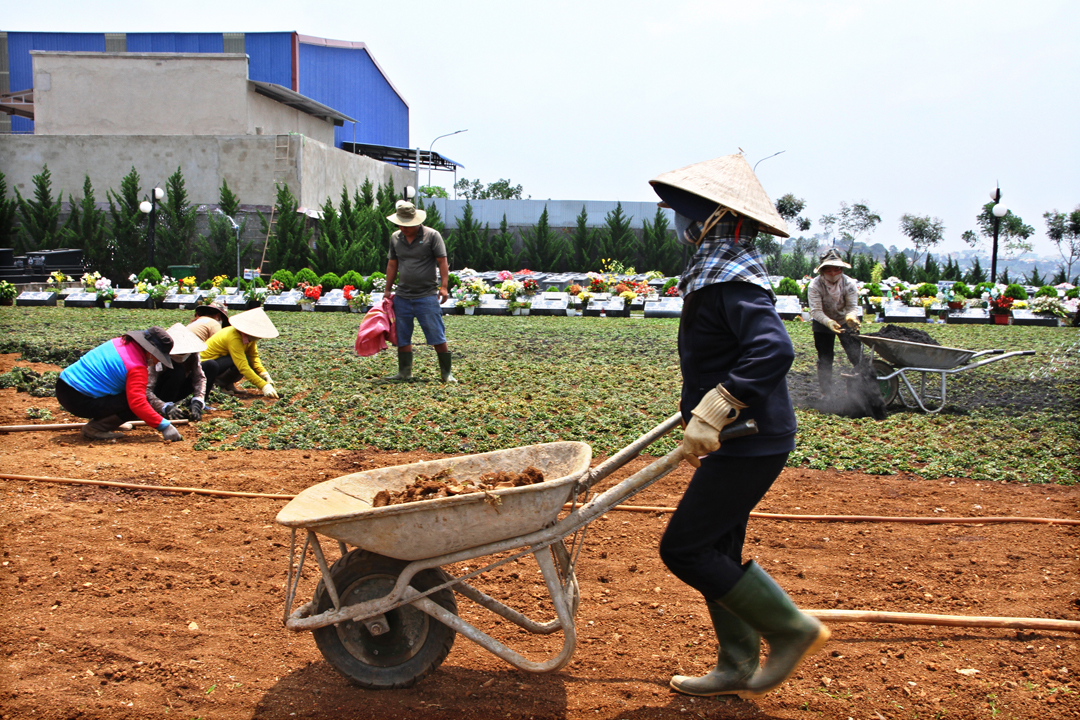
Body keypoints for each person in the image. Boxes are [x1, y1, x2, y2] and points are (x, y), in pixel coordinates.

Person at [649, 152, 829, 697]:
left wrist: (716, 405)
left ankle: (790, 630)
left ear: (713, 219)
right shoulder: (719, 272)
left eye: (686, 214)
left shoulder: (731, 279)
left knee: (684, 548)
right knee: (717, 552)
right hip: (741, 436)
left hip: (752, 438)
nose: (679, 225)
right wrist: (699, 409)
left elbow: (774, 349)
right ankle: (736, 665)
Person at [54, 326, 187, 442]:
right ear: (150, 351)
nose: (158, 361)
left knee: (128, 393)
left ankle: (109, 422)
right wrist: (164, 426)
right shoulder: (136, 367)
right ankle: (96, 428)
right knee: (135, 402)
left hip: (63, 385)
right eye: (159, 356)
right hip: (78, 399)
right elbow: (138, 403)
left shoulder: (118, 342)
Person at [383, 200, 456, 383]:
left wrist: (444, 287)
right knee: (402, 335)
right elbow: (392, 264)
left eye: (408, 224)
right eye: (401, 224)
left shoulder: (432, 236)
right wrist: (387, 290)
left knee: (436, 333)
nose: (404, 228)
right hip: (403, 296)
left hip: (427, 296)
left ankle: (446, 373)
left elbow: (442, 262)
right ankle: (404, 372)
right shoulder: (395, 238)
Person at [806, 248, 862, 395]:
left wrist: (850, 317)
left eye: (835, 270)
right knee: (825, 357)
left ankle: (864, 385)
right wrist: (829, 322)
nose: (832, 274)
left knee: (856, 353)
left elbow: (852, 306)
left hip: (845, 320)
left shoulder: (849, 284)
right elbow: (816, 311)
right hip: (823, 321)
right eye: (828, 270)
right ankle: (827, 392)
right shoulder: (815, 286)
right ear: (822, 271)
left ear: (841, 269)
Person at [200, 306, 280, 398]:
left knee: (247, 358)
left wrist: (263, 373)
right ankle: (218, 385)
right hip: (207, 366)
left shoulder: (249, 339)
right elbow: (242, 366)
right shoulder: (234, 337)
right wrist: (263, 386)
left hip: (220, 361)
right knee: (242, 360)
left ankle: (228, 385)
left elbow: (253, 356)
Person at [146, 323, 209, 422]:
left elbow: (199, 378)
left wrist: (198, 400)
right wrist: (164, 406)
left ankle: (191, 406)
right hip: (160, 391)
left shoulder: (192, 354)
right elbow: (147, 389)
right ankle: (169, 406)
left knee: (210, 366)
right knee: (177, 371)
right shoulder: (156, 356)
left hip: (179, 386)